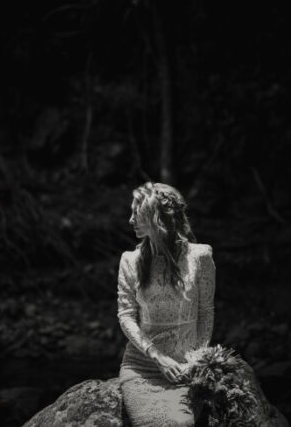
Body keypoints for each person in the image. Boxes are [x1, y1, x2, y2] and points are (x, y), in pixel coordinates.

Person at [117, 182, 215, 426]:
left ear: (155, 216)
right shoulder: (130, 260)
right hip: (143, 367)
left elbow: (206, 312)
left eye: (136, 213)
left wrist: (196, 361)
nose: (130, 220)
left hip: (185, 368)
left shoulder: (200, 257)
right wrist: (158, 358)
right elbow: (126, 314)